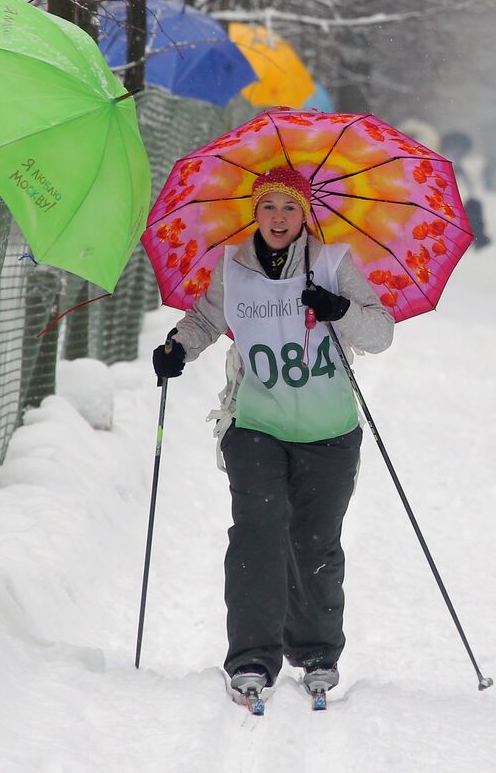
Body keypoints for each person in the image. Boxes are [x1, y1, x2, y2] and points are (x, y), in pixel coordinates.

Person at [151, 166, 395, 705]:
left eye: (288, 208)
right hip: (256, 424)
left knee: (314, 541)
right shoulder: (233, 267)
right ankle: (251, 659)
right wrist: (178, 347)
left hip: (329, 429)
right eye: (268, 208)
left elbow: (380, 333)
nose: (278, 218)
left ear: (304, 214)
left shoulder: (334, 263)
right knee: (258, 534)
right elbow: (206, 319)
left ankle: (315, 655)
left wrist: (339, 309)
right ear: (254, 214)